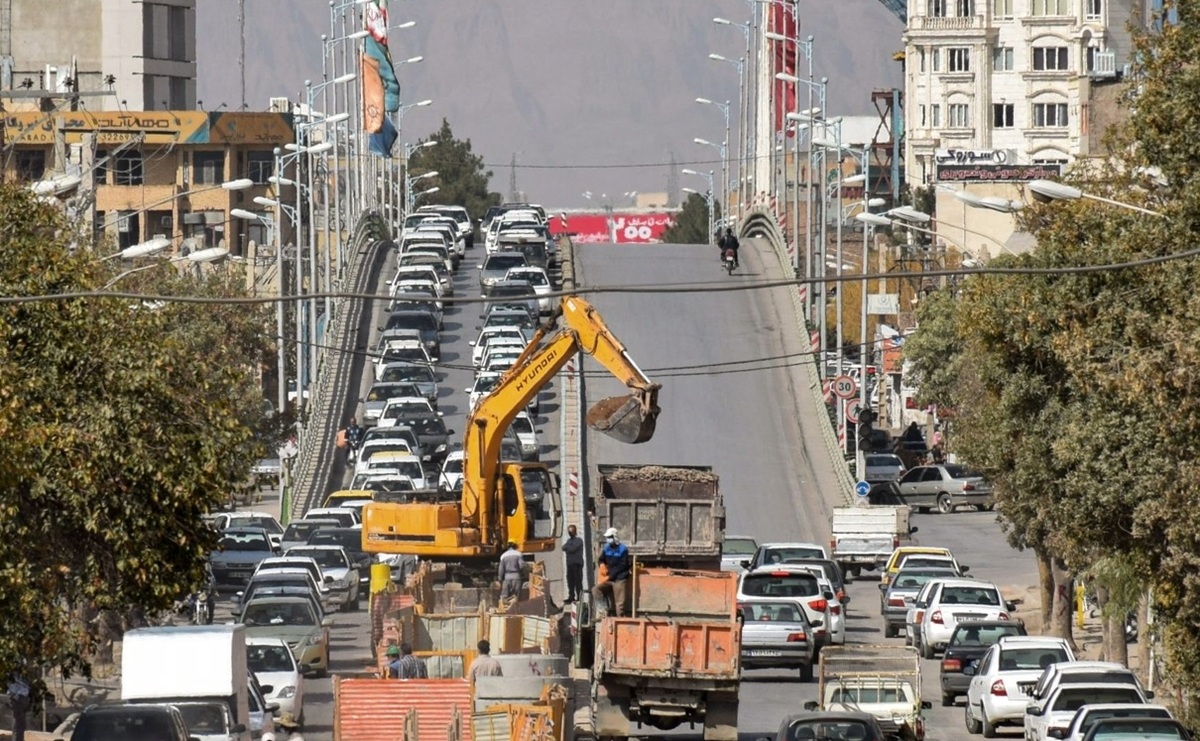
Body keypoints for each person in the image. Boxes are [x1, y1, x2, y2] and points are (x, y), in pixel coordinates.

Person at [593, 527, 632, 617]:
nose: (608, 539)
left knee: (619, 603)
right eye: (607, 537)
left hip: (619, 579)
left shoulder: (623, 549)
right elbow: (601, 559)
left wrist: (610, 576)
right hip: (609, 578)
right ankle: (603, 611)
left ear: (615, 537)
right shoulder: (607, 549)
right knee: (596, 590)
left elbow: (622, 566)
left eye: (610, 537)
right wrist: (602, 565)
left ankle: (620, 619)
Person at [562, 524, 585, 604]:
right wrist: (568, 547)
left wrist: (568, 547)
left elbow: (572, 549)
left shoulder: (578, 540)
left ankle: (580, 597)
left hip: (577, 564)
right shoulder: (569, 541)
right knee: (570, 581)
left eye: (571, 531)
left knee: (578, 582)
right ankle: (571, 596)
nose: (570, 533)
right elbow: (563, 547)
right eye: (569, 531)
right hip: (570, 564)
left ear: (575, 531)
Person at [7, 675, 29, 741]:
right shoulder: (13, 673)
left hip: (22, 697)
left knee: (21, 724)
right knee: (17, 724)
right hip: (18, 698)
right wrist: (15, 696)